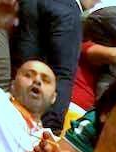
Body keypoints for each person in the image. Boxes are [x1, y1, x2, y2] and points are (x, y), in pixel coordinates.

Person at [11, 0, 81, 133]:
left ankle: (13, 115)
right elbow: (64, 73)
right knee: (60, 73)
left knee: (25, 69)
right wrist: (51, 129)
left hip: (30, 3)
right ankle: (47, 130)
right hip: (64, 6)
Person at [0, 59, 54, 152]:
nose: (37, 81)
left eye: (46, 80)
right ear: (12, 84)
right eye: (28, 75)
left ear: (54, 97)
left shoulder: (52, 144)